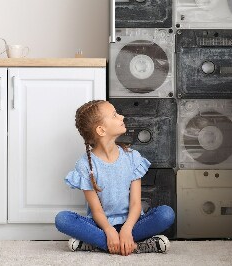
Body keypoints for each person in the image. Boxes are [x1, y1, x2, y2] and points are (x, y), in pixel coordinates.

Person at [55, 100, 175, 256]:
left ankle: (100, 244)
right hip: (101, 225)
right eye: (114, 115)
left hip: (133, 223)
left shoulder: (132, 157)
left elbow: (135, 203)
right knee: (62, 219)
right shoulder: (85, 165)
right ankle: (136, 246)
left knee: (166, 214)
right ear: (101, 130)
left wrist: (127, 229)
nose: (122, 116)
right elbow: (97, 210)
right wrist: (109, 230)